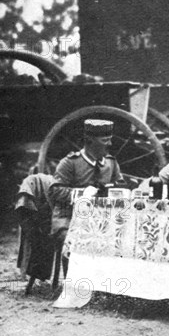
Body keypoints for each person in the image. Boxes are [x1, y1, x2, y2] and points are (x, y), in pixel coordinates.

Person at [48, 119, 124, 287]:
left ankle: (106, 286)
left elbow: (121, 186)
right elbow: (55, 191)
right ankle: (73, 286)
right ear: (89, 141)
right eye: (105, 140)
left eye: (110, 139)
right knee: (72, 239)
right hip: (69, 217)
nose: (109, 144)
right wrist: (84, 194)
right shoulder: (71, 162)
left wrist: (113, 191)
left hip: (101, 219)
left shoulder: (111, 163)